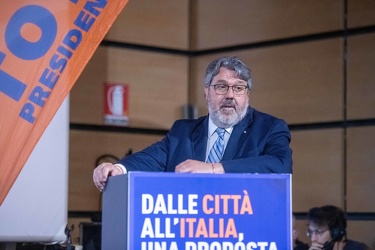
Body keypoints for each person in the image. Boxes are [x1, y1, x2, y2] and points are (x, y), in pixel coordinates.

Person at [93, 56, 293, 191]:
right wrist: (116, 168)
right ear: (207, 91)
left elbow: (280, 166)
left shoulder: (269, 128)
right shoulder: (184, 131)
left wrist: (214, 168)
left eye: (239, 88)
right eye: (222, 87)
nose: (230, 95)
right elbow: (149, 159)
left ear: (247, 94)